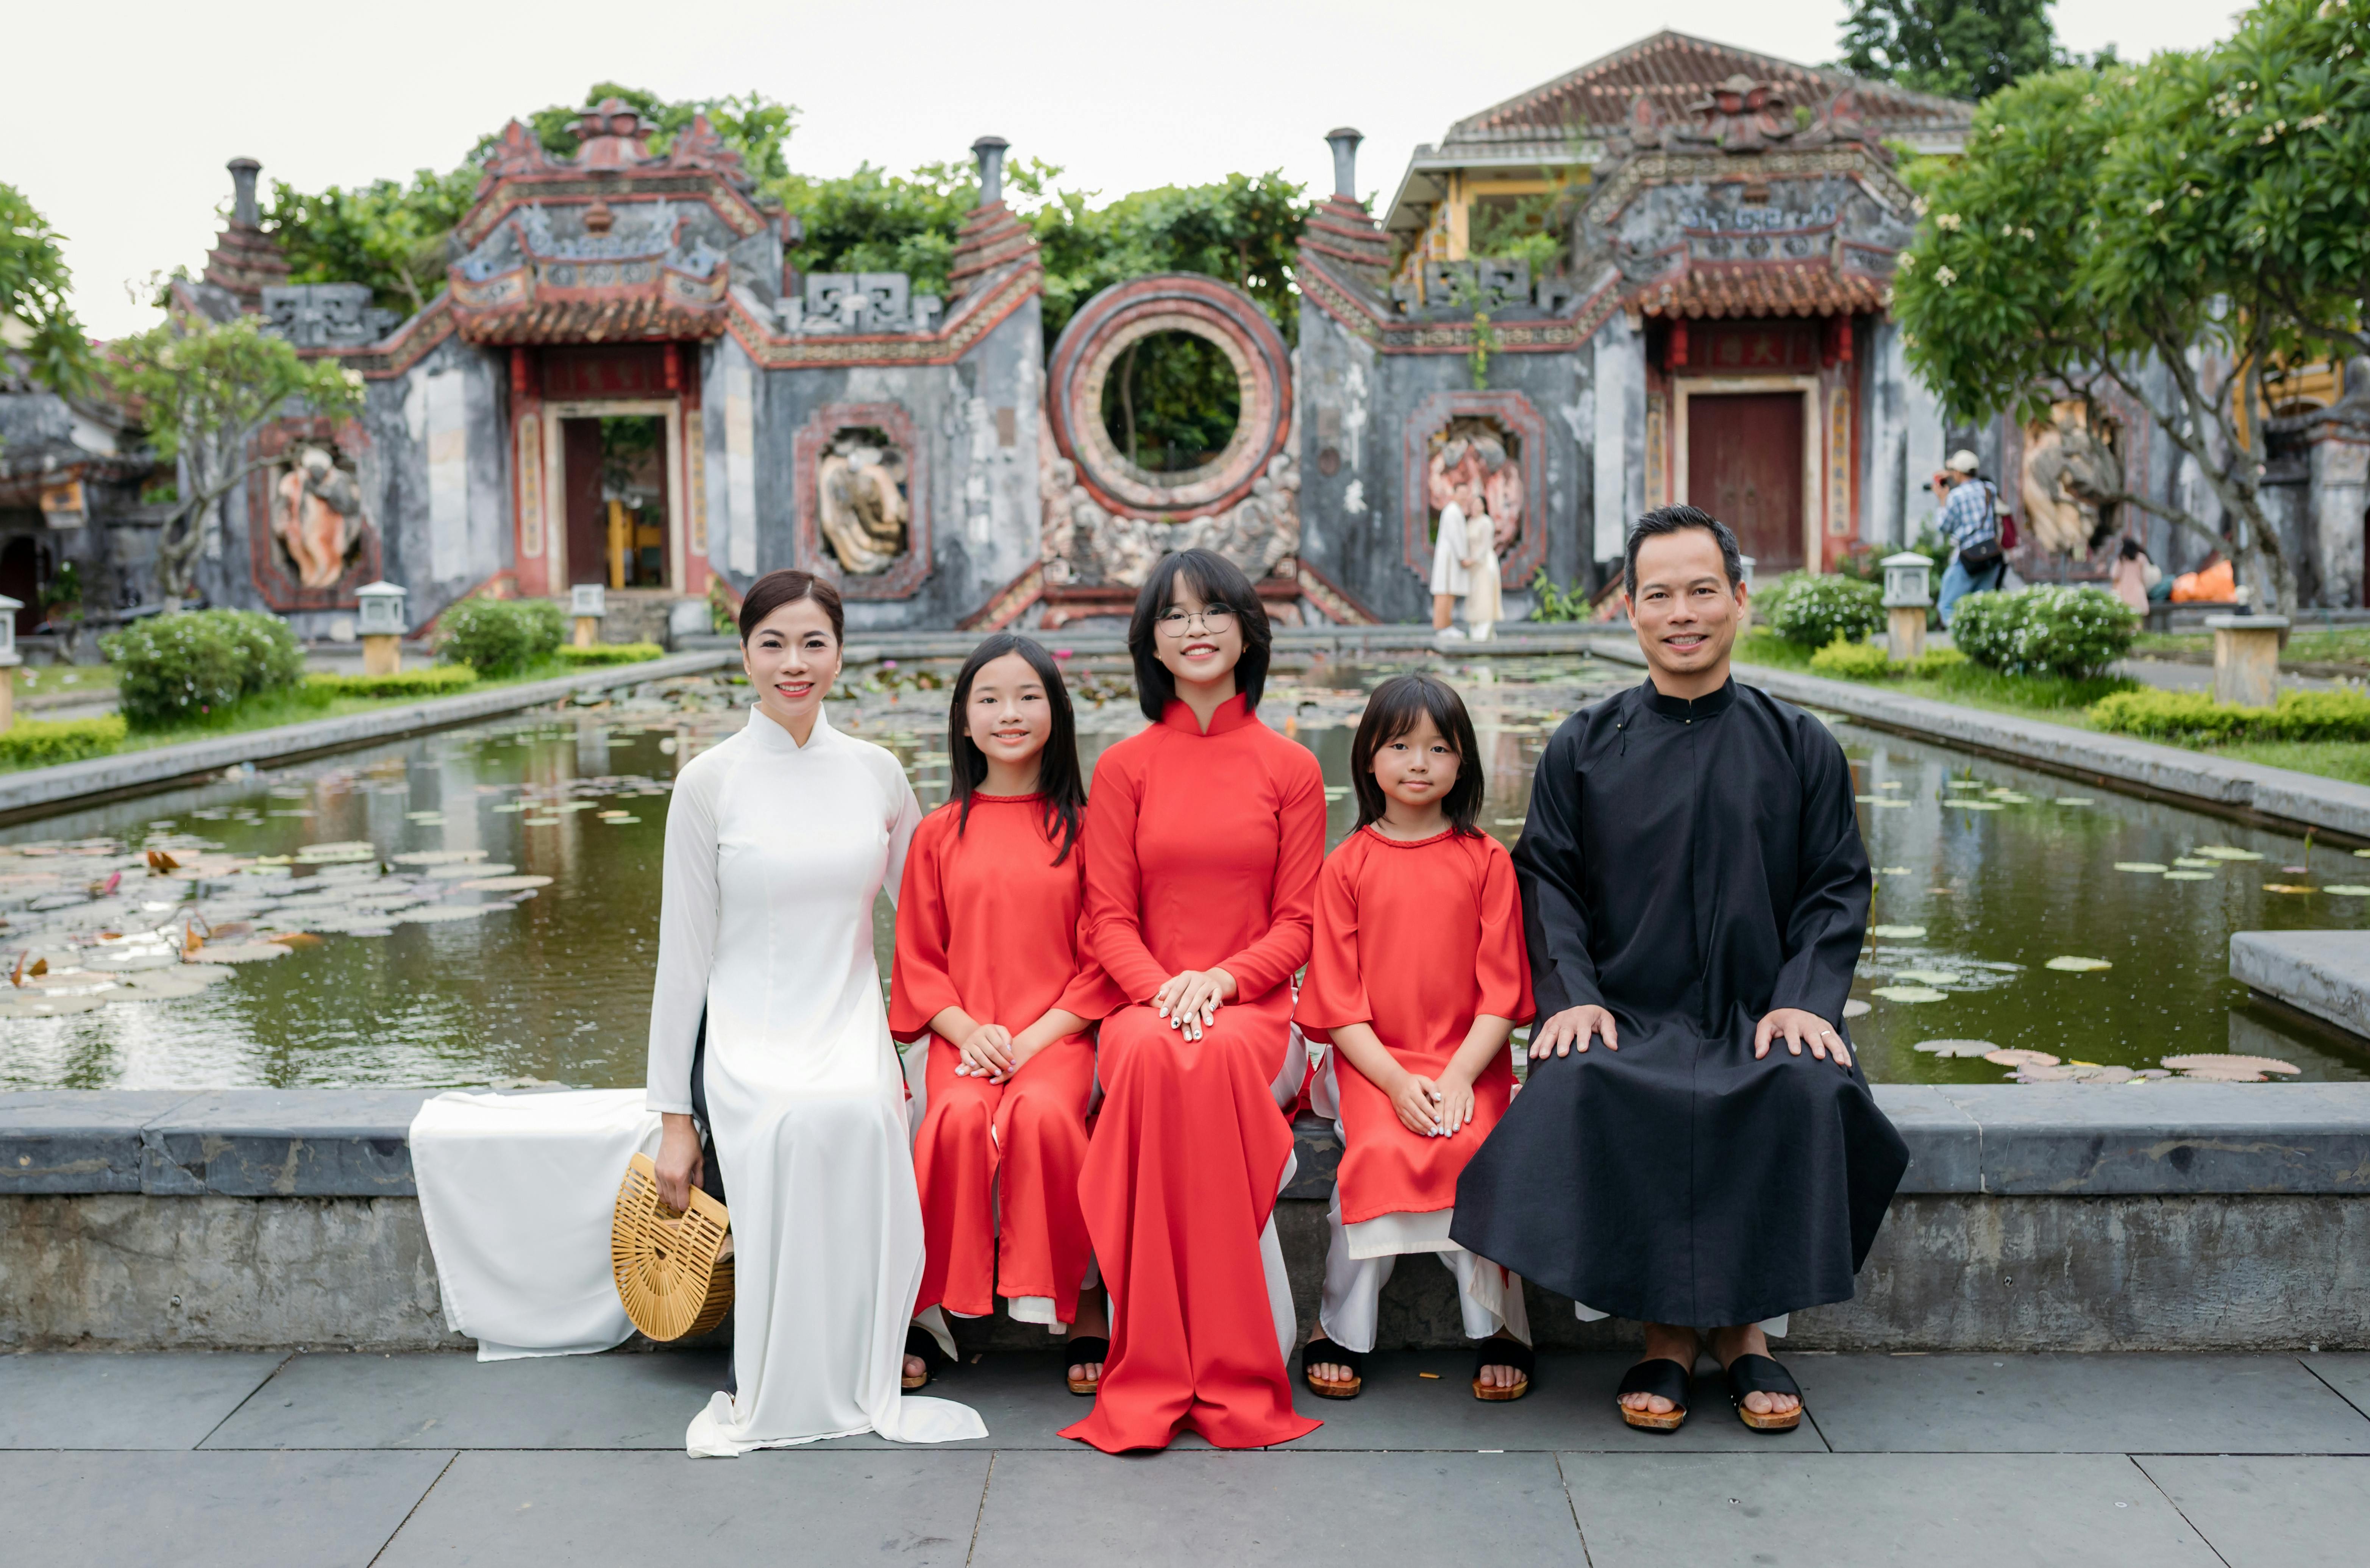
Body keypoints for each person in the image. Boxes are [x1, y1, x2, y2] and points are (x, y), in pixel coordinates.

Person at [1452, 506, 1908, 1435]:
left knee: (1800, 1086)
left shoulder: (1800, 745)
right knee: (1588, 1082)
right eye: (1658, 594)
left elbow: (1834, 886)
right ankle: (1662, 1332)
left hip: (1757, 1009)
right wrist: (1572, 999)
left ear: (1740, 600)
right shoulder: (1585, 745)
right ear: (1630, 610)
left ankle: (1744, 1334)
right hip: (1631, 1008)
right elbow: (1548, 885)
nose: (1682, 612)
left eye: (1703, 590)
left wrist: (1803, 999)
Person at [647, 568, 985, 1456]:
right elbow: (682, 959)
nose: (794, 663)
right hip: (751, 1039)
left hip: (847, 1023)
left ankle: (873, 1350)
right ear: (745, 654)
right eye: (773, 643)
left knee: (868, 1115)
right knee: (792, 1127)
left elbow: (930, 921)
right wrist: (673, 1119)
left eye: (813, 643)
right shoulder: (707, 782)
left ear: (839, 653)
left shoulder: (877, 773)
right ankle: (788, 1375)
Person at [1060, 548, 1326, 1454]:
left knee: (1206, 1055)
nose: (1197, 627)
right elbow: (1107, 919)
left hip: (1252, 1007)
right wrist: (1162, 986)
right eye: (1174, 615)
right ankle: (1156, 1347)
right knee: (1148, 1052)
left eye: (1215, 609)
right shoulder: (1126, 767)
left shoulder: (1289, 766)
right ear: (1153, 644)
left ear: (1248, 629)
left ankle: (1228, 1359)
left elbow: (1297, 924)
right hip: (1146, 999)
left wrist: (1223, 979)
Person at [890, 633, 1119, 1396]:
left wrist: (1032, 1039)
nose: (1008, 713)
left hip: (1057, 1037)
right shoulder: (936, 836)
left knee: (1048, 1119)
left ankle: (1080, 1297)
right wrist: (968, 1032)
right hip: (967, 1038)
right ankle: (926, 1311)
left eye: (1028, 697)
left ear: (1056, 714)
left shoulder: (1088, 834)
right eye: (988, 699)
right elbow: (919, 962)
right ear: (962, 720)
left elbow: (1101, 964)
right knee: (952, 1120)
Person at [1296, 673, 1536, 1404]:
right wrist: (1398, 1084)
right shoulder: (1346, 866)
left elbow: (1502, 993)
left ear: (1463, 762)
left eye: (1439, 747)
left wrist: (1460, 1076)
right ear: (1368, 756)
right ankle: (1339, 1325)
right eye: (1400, 745)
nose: (1419, 762)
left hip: (1468, 1060)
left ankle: (1500, 1325)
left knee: (1472, 1149)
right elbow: (1337, 1007)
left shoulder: (1486, 861)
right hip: (1371, 1065)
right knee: (1373, 1153)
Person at [1933, 449, 2005, 628]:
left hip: (1968, 558)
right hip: (1990, 555)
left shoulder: (1955, 496)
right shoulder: (1990, 489)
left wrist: (1942, 500)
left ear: (1957, 472)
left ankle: (1957, 644)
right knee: (1983, 606)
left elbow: (1944, 527)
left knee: (1947, 605)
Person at [1430, 443, 1474, 639]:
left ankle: (1445, 626)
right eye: (1462, 493)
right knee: (1445, 592)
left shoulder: (1455, 510)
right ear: (1455, 492)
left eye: (1467, 494)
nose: (1465, 497)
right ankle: (1442, 627)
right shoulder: (1453, 511)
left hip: (1450, 557)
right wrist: (1464, 557)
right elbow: (1456, 537)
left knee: (1448, 592)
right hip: (1450, 558)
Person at [1462, 500, 1502, 643]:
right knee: (1474, 596)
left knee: (1485, 594)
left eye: (1479, 504)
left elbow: (1486, 546)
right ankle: (1478, 631)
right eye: (1474, 504)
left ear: (1484, 506)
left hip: (1484, 563)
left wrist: (1473, 560)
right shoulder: (1471, 522)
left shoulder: (1486, 522)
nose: (1476, 507)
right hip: (1472, 565)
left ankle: (1484, 632)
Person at [2109, 537, 2165, 614]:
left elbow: (2115, 575)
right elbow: (2146, 576)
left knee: (2124, 615)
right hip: (2138, 589)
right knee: (2138, 617)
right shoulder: (2141, 558)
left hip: (2123, 589)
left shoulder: (2121, 559)